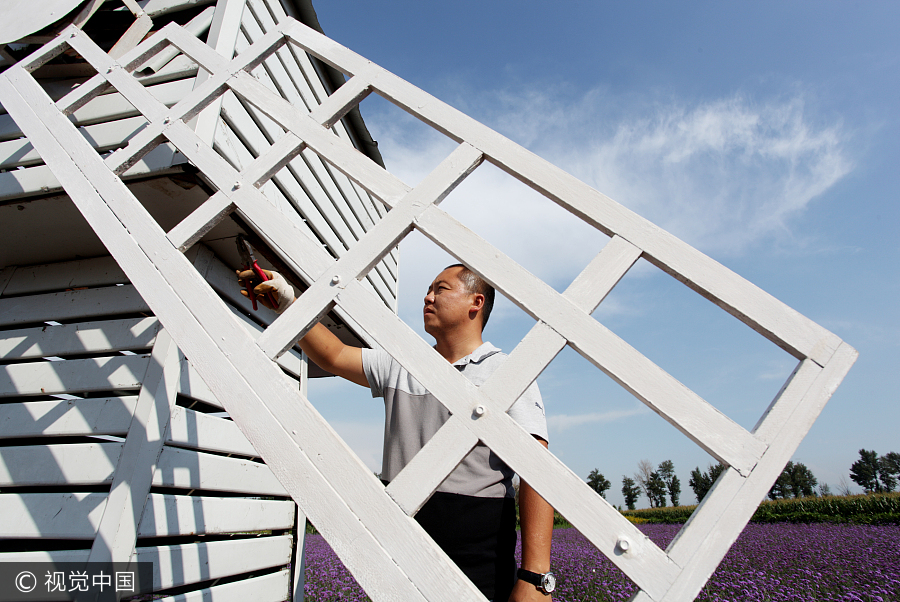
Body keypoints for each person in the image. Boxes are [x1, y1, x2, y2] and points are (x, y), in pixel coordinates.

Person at [239, 263, 555, 601]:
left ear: (475, 303)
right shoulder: (404, 364)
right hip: (400, 547)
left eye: (441, 289)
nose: (427, 296)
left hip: (481, 556)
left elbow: (537, 468)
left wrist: (535, 576)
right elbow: (334, 355)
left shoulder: (505, 371)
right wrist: (288, 301)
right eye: (429, 289)